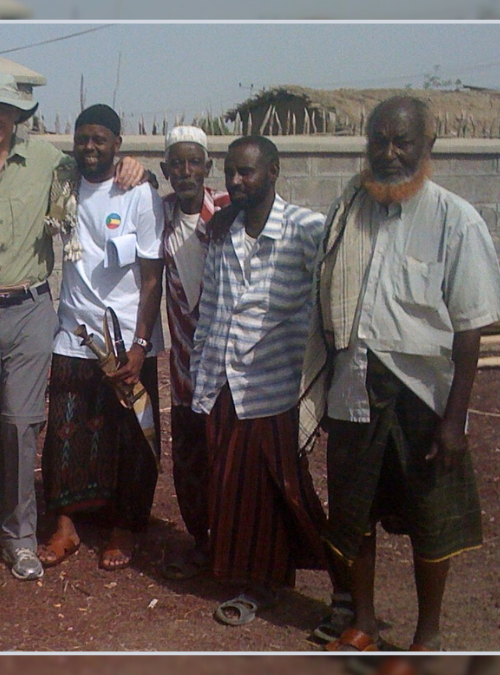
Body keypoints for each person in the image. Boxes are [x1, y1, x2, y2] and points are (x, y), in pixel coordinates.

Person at [304, 96, 500, 651]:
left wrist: (454, 422)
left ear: (428, 148)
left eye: (403, 143)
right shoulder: (348, 211)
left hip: (423, 395)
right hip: (354, 384)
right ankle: (364, 621)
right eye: (380, 142)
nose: (390, 154)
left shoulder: (454, 219)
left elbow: (470, 331)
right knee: (354, 510)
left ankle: (428, 634)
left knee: (431, 518)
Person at [0, 71, 147, 581]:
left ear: (17, 118)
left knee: (21, 423)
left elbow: (103, 165)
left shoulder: (53, 164)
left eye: (1, 111)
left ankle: (22, 535)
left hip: (30, 307)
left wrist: (142, 169)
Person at [190, 135, 332, 626]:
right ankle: (245, 573)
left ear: (273, 171)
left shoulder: (307, 230)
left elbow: (327, 302)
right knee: (232, 485)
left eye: (246, 172)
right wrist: (198, 376)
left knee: (278, 486)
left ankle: (287, 578)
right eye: (230, 172)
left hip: (275, 384)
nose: (235, 181)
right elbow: (210, 308)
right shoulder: (223, 231)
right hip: (224, 383)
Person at [36, 104, 164, 572]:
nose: (90, 148)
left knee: (131, 435)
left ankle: (122, 527)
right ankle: (66, 524)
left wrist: (141, 343)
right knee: (65, 431)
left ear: (118, 143)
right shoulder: (63, 185)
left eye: (100, 140)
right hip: (73, 334)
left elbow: (152, 277)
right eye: (82, 138)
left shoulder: (138, 193)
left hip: (126, 338)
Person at [156, 126, 229, 581]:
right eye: (176, 165)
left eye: (194, 163)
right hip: (183, 363)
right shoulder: (157, 212)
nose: (185, 172)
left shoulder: (227, 209)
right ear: (166, 170)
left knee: (227, 456)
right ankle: (201, 541)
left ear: (207, 168)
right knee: (189, 459)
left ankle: (230, 543)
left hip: (225, 363)